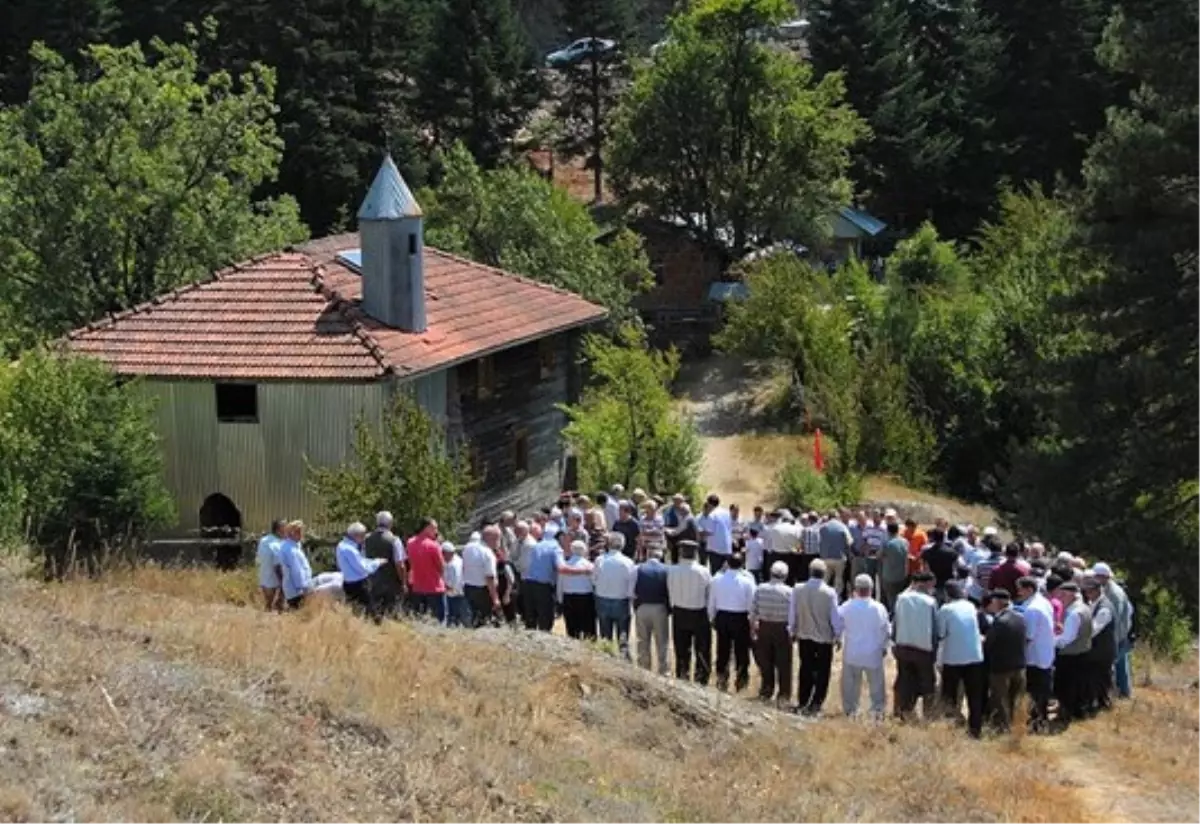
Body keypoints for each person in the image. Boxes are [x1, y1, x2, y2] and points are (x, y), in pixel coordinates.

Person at [790, 558, 843, 716]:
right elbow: (835, 617)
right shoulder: (829, 592)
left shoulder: (798, 589)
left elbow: (793, 612)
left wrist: (791, 630)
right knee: (822, 671)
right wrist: (838, 635)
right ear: (824, 573)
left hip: (804, 634)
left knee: (805, 667)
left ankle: (803, 700)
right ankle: (816, 703)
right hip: (824, 638)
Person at [937, 581, 987, 737]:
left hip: (954, 658)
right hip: (975, 656)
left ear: (947, 594)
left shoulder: (946, 609)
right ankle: (975, 729)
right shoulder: (970, 606)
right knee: (974, 695)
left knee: (949, 695)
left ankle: (952, 727)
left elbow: (940, 633)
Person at [838, 574, 890, 718]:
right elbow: (886, 629)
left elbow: (837, 625)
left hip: (852, 653)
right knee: (876, 686)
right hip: (873, 654)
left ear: (855, 588)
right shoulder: (878, 608)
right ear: (871, 589)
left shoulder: (847, 606)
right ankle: (877, 711)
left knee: (851, 686)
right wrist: (884, 647)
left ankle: (850, 711)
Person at [892, 572, 938, 721]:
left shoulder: (901, 598)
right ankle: (929, 715)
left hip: (903, 646)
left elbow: (895, 623)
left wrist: (895, 643)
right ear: (925, 584)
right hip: (923, 650)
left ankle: (901, 712)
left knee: (904, 681)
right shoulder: (930, 602)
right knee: (927, 684)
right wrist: (935, 652)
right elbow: (934, 629)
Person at [667, 540, 713, 685]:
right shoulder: (703, 571)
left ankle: (682, 677)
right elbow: (709, 593)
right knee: (702, 650)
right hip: (699, 613)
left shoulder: (672, 570)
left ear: (681, 553)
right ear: (696, 554)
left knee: (681, 649)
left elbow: (670, 590)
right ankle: (701, 680)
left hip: (679, 612)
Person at [1013, 577, 1055, 733]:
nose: (1018, 593)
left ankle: (1036, 723)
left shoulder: (1032, 610)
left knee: (1035, 692)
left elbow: (1028, 636)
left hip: (1035, 657)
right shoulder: (1043, 602)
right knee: (1042, 691)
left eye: (1020, 589)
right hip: (1045, 654)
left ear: (1029, 589)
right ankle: (1041, 721)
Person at [709, 554, 755, 692]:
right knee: (741, 651)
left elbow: (712, 601)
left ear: (727, 563)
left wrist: (711, 617)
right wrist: (752, 621)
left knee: (722, 650)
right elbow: (752, 605)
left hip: (722, 616)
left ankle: (722, 680)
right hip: (740, 618)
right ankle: (741, 682)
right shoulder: (747, 581)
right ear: (742, 565)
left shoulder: (717, 579)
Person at [983, 589, 1027, 732]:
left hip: (1001, 668)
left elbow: (990, 643)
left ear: (998, 602)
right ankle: (1015, 726)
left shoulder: (1000, 621)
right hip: (1019, 665)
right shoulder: (1020, 618)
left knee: (1000, 700)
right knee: (1014, 699)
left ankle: (1003, 729)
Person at [751, 561, 794, 705]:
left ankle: (766, 690)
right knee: (784, 664)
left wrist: (753, 629)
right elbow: (793, 614)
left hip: (764, 627)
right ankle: (783, 695)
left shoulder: (760, 588)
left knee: (766, 661)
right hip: (782, 629)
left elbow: (753, 611)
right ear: (785, 575)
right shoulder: (789, 592)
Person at [1053, 582, 1093, 727]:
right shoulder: (1084, 608)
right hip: (1082, 652)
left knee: (1066, 687)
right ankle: (1075, 711)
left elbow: (1066, 639)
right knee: (1077, 686)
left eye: (1063, 595)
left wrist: (1048, 641)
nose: (1060, 597)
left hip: (1070, 655)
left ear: (1072, 595)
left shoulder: (1074, 614)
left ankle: (1065, 714)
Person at [1092, 563, 1134, 700]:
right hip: (1122, 634)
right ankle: (1124, 692)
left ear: (1103, 577)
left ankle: (1114, 694)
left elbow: (1114, 617)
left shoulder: (1113, 594)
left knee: (1114, 665)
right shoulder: (1113, 589)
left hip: (1118, 635)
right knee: (1121, 665)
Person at [594, 532, 637, 658]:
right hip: (621, 600)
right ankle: (623, 661)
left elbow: (594, 580)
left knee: (605, 636)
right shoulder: (628, 562)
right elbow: (631, 584)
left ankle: (606, 660)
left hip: (602, 599)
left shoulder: (600, 560)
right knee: (622, 637)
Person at [633, 548, 671, 676]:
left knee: (643, 640)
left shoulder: (638, 568)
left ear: (647, 555)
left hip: (642, 606)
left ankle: (644, 669)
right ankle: (664, 669)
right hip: (660, 608)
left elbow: (632, 589)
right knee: (662, 641)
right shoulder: (666, 570)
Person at [1082, 575, 1116, 716]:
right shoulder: (1093, 604)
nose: (1087, 594)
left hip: (1102, 651)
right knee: (1094, 678)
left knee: (1102, 678)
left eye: (1090, 591)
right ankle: (1095, 703)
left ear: (1097, 590)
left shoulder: (1104, 609)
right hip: (1096, 650)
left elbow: (1094, 630)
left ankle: (1104, 705)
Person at [336, 522, 384, 620]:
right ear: (356, 536)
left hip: (347, 583)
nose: (363, 539)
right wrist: (377, 563)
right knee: (371, 613)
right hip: (359, 584)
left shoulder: (341, 545)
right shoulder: (350, 550)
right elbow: (362, 567)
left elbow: (360, 561)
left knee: (355, 612)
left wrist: (373, 561)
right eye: (362, 536)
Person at [364, 511, 406, 619]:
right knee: (391, 615)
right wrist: (403, 582)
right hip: (391, 584)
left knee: (374, 616)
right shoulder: (394, 540)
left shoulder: (366, 539)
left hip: (372, 582)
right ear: (390, 523)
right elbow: (400, 564)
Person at [406, 518, 447, 623]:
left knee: (420, 619)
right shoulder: (434, 546)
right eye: (434, 528)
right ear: (427, 528)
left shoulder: (410, 543)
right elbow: (442, 567)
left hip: (417, 587)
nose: (436, 532)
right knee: (438, 620)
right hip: (434, 587)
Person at [523, 529, 564, 632]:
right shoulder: (556, 548)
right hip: (543, 586)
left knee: (530, 618)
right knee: (545, 619)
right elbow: (561, 567)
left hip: (528, 583)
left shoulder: (537, 545)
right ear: (560, 537)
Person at [462, 525, 501, 627]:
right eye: (496, 539)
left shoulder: (468, 547)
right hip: (483, 591)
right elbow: (489, 578)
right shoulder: (487, 553)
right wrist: (495, 598)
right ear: (490, 539)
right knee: (485, 620)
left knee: (473, 618)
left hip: (468, 587)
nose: (497, 543)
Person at [557, 540, 597, 639]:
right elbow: (594, 582)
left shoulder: (565, 565)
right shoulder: (589, 566)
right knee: (588, 627)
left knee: (572, 628)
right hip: (586, 597)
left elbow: (560, 584)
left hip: (568, 597)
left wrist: (560, 599)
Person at [277, 521, 313, 610]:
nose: (302, 534)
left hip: (294, 589)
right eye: (299, 532)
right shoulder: (291, 550)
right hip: (296, 591)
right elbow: (297, 571)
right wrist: (303, 588)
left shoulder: (293, 546)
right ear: (292, 533)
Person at [818, 510, 853, 596]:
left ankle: (823, 596)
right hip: (839, 557)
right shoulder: (842, 526)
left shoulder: (822, 527)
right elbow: (850, 541)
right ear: (837, 517)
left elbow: (818, 541)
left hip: (825, 557)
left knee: (825, 579)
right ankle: (836, 598)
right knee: (838, 580)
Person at [698, 494, 734, 575]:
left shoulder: (712, 515)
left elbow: (709, 531)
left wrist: (699, 532)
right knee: (726, 572)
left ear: (709, 504)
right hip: (727, 548)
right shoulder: (727, 513)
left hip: (716, 549)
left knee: (716, 573)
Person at [878, 522, 909, 614]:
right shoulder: (905, 542)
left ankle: (893, 618)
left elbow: (879, 555)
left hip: (889, 576)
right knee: (900, 599)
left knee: (891, 600)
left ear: (888, 531)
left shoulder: (887, 543)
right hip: (902, 575)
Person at [256, 519, 286, 611]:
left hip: (263, 574)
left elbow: (259, 557)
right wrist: (282, 582)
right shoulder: (277, 544)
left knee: (268, 604)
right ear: (278, 530)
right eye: (284, 528)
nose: (286, 530)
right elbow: (277, 564)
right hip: (273, 577)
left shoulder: (263, 540)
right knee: (273, 604)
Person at [442, 542, 470, 627]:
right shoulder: (456, 560)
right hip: (455, 594)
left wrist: (444, 586)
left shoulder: (454, 565)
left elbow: (455, 582)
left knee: (459, 620)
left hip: (456, 595)